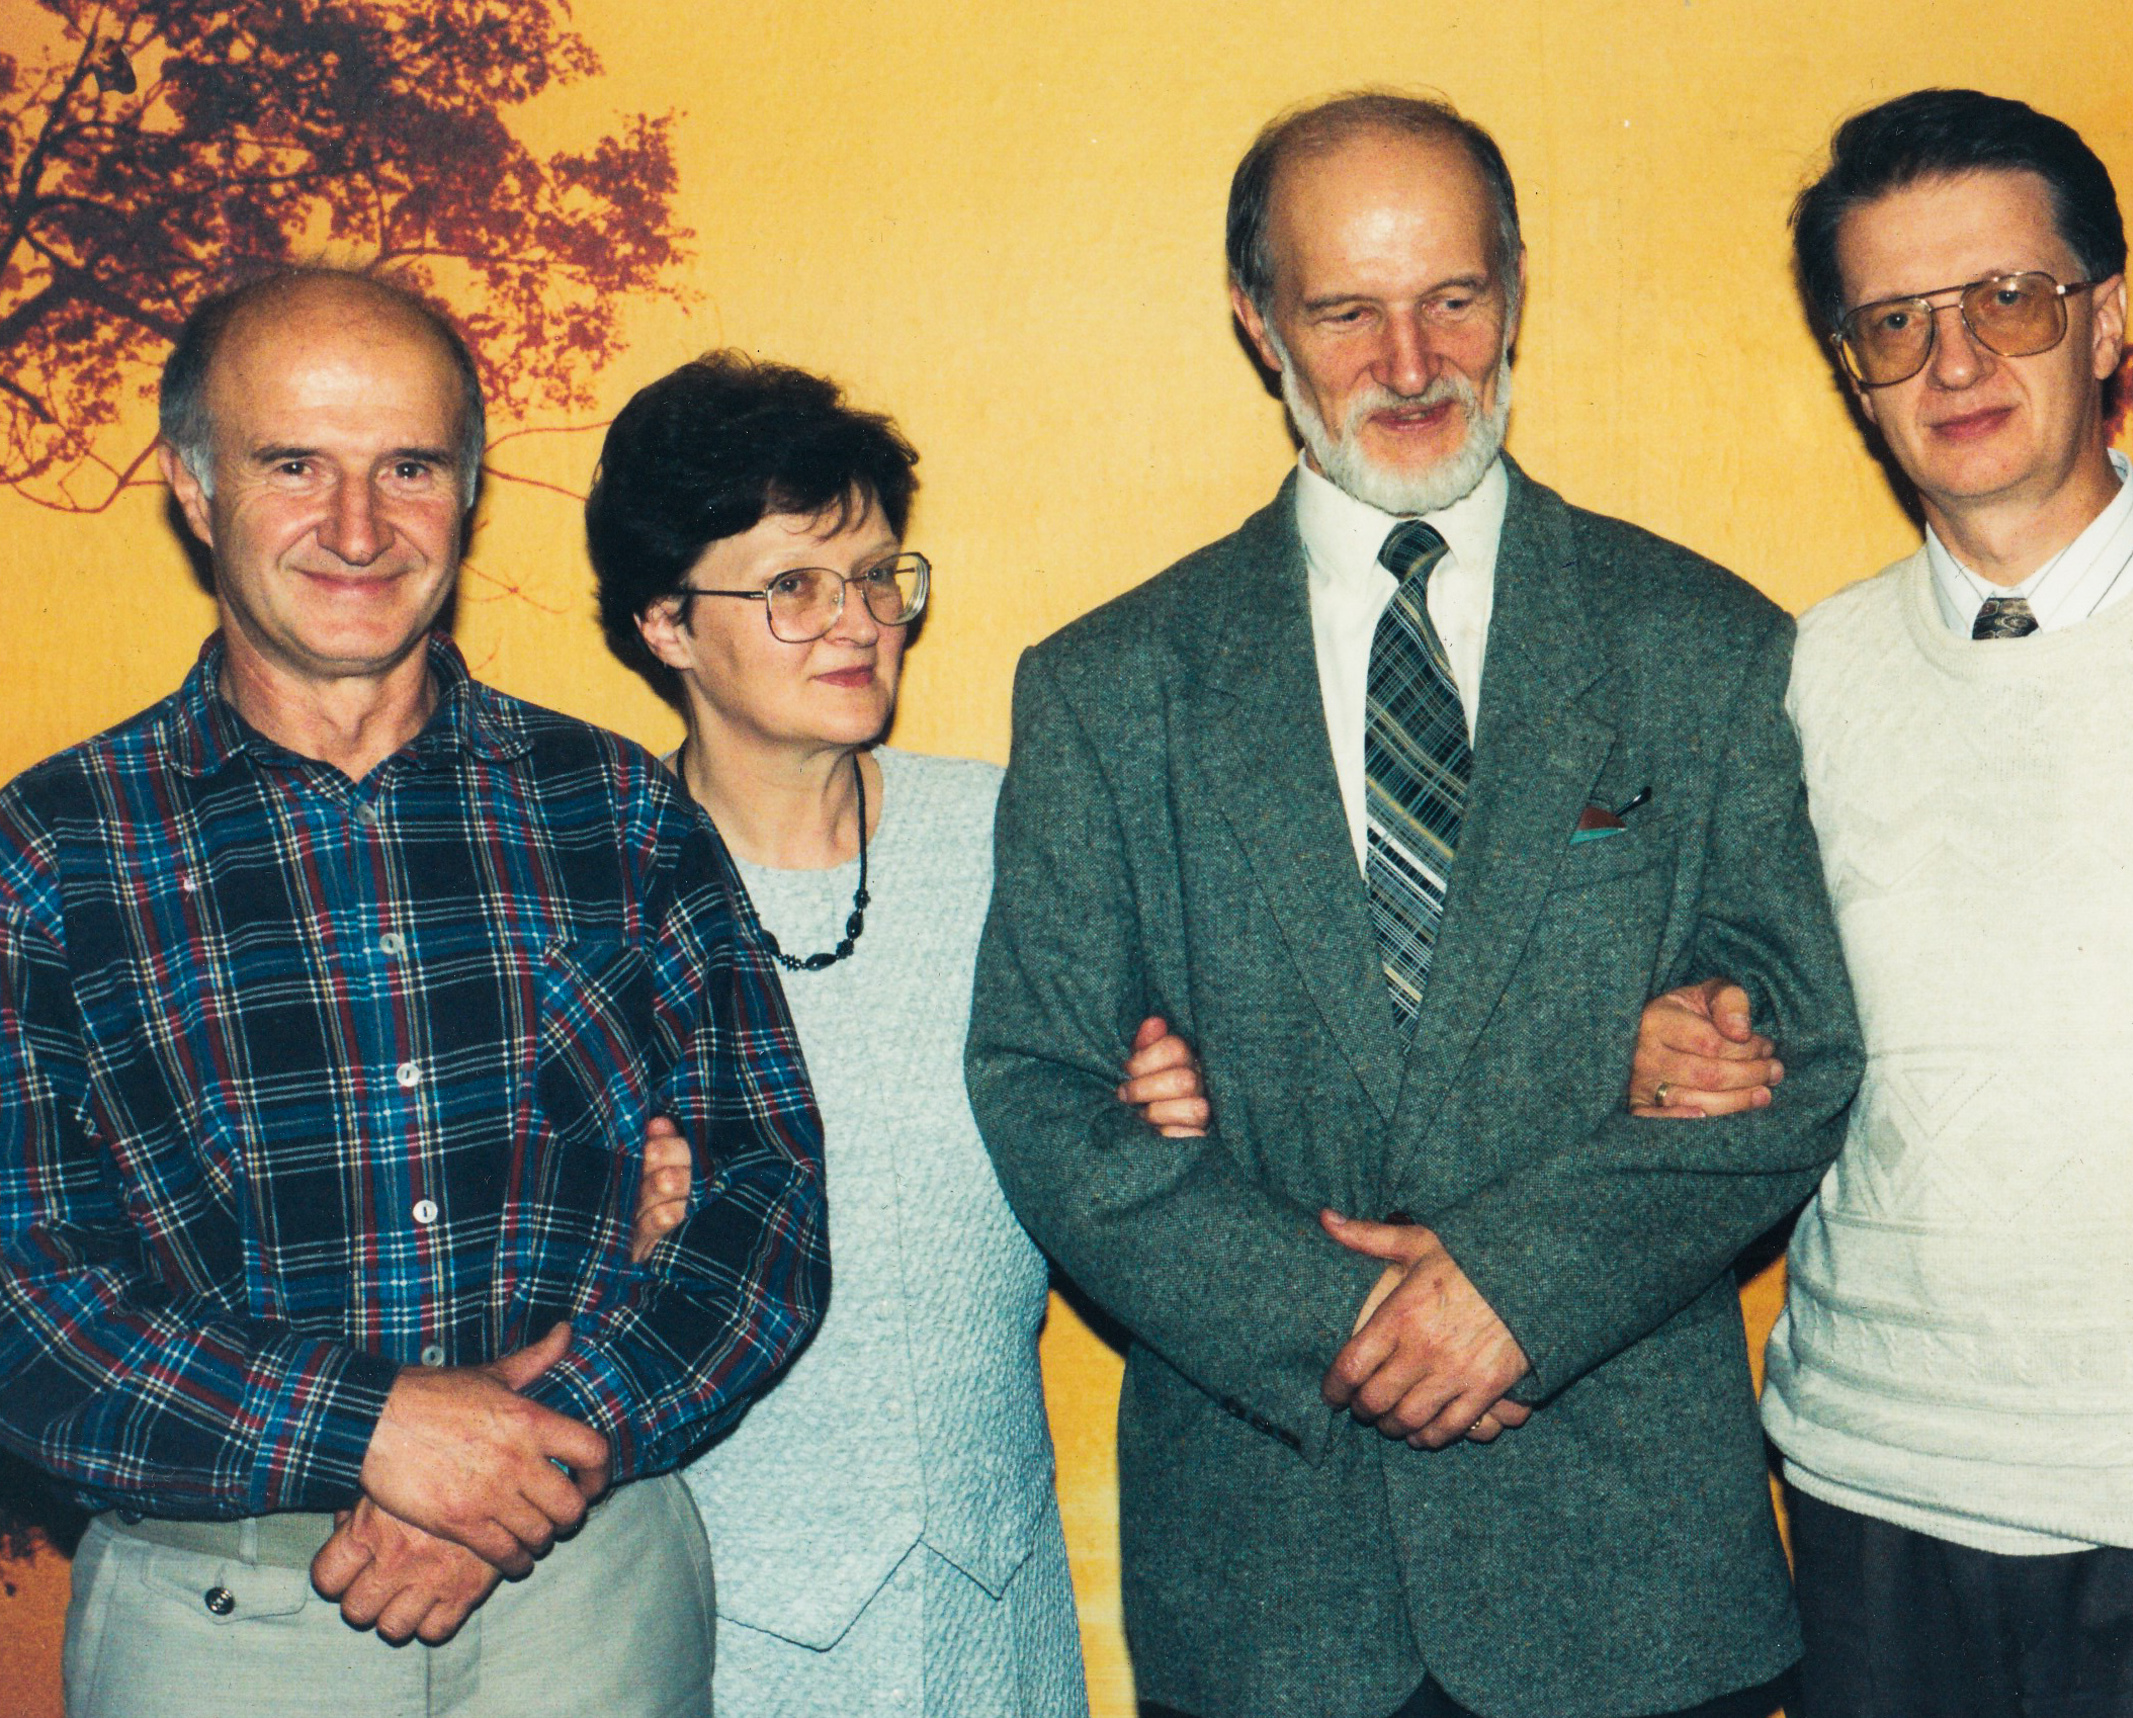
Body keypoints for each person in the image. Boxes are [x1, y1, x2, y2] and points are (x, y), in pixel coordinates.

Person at [964, 91, 1863, 1718]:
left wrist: (1524, 1285)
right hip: (1270, 1598)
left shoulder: (1708, 644)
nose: (1410, 361)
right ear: (1257, 321)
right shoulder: (1108, 688)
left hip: (1637, 1590)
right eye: (1344, 312)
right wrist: (1347, 1320)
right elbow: (1040, 1086)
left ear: (1516, 287)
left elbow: (1798, 1053)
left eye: (1454, 297)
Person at [1632, 88, 2133, 1717]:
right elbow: (1742, 1027)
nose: (1956, 360)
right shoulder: (1804, 678)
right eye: (1896, 322)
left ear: (2105, 318)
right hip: (1880, 1495)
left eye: (2009, 298)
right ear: (1853, 369)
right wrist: (1681, 1039)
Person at [0, 270, 831, 1715]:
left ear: (470, 490)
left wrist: (530, 1447)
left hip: (591, 1592)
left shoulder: (617, 808)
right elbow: (21, 1295)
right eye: (293, 465)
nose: (358, 527)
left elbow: (766, 1198)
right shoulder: (51, 852)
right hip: (220, 1622)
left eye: (409, 467)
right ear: (194, 487)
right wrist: (373, 1427)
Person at [590, 352, 1211, 1718]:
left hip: (998, 1608)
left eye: (878, 576)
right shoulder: (590, 890)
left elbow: (1128, 1179)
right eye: (794, 586)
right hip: (707, 1626)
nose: (859, 621)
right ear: (665, 622)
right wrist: (590, 1234)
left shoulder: (1012, 836)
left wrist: (1156, 1113)